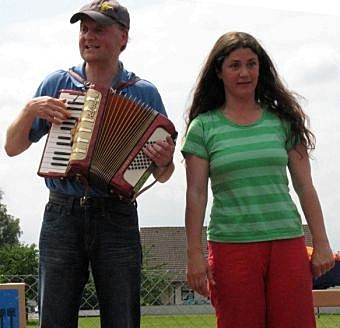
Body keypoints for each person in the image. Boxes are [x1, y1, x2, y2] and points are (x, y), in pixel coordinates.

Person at [5, 1, 175, 327]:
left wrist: (164, 162)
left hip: (117, 215)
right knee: (54, 319)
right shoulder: (57, 84)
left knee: (122, 319)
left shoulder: (144, 92)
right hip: (62, 214)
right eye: (84, 29)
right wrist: (29, 110)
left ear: (123, 37)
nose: (88, 36)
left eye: (99, 29)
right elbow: (12, 147)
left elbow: (163, 175)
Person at [181, 31, 335, 328]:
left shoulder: (283, 121)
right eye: (235, 65)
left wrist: (322, 243)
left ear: (260, 69)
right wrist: (194, 256)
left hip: (287, 243)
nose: (244, 73)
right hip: (231, 246)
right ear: (219, 72)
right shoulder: (203, 127)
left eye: (251, 64)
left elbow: (305, 187)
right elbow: (196, 194)